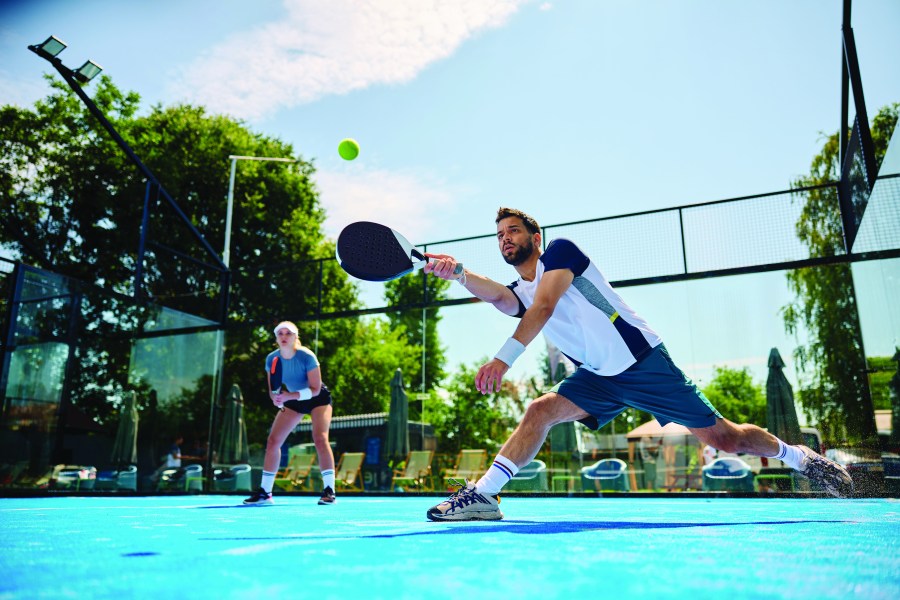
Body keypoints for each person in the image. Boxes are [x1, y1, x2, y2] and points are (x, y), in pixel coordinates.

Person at [422, 207, 853, 521]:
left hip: (643, 363)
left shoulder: (561, 253)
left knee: (726, 439)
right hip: (597, 379)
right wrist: (458, 273)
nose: (505, 239)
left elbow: (545, 307)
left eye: (513, 230)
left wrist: (503, 359)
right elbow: (501, 296)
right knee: (539, 411)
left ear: (536, 237)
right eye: (499, 235)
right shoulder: (522, 288)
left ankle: (802, 459)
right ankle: (484, 495)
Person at [243, 321, 337, 506]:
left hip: (318, 398)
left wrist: (288, 396)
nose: (284, 336)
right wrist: (277, 398)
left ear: (295, 337)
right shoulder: (272, 359)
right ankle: (265, 493)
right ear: (276, 338)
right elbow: (273, 390)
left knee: (320, 438)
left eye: (289, 333)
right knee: (273, 441)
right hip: (292, 399)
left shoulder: (307, 356)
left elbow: (316, 389)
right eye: (280, 333)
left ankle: (329, 491)